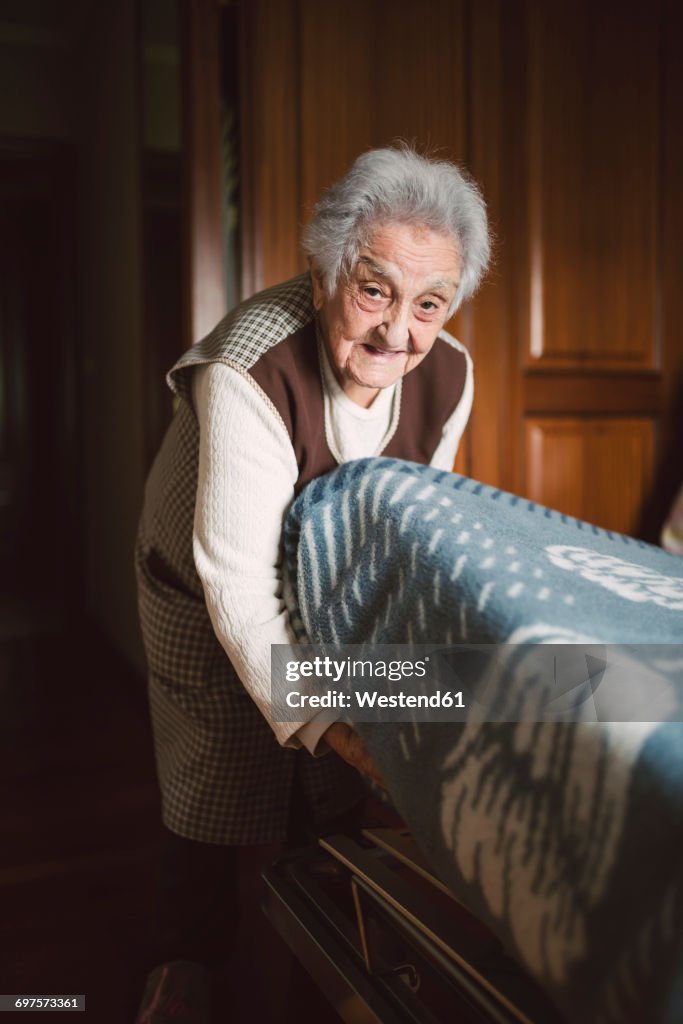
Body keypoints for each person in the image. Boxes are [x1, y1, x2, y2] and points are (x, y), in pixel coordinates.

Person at [134, 144, 490, 1023]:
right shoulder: (249, 373)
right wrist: (333, 719)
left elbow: (409, 524)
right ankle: (185, 963)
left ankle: (327, 942)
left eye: (429, 304)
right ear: (324, 269)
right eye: (374, 290)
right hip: (207, 579)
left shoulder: (447, 374)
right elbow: (240, 587)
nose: (398, 332)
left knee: (331, 785)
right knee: (210, 773)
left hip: (324, 576)